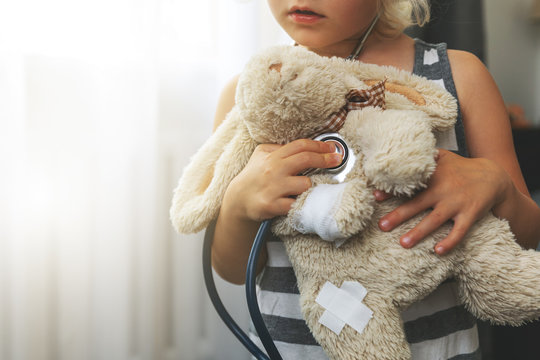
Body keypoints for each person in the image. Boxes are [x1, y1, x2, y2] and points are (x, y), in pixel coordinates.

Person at [209, 1, 540, 359]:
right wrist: (239, 205)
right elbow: (231, 269)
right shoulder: (252, 95)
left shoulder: (459, 77)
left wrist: (496, 185)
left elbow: (526, 234)